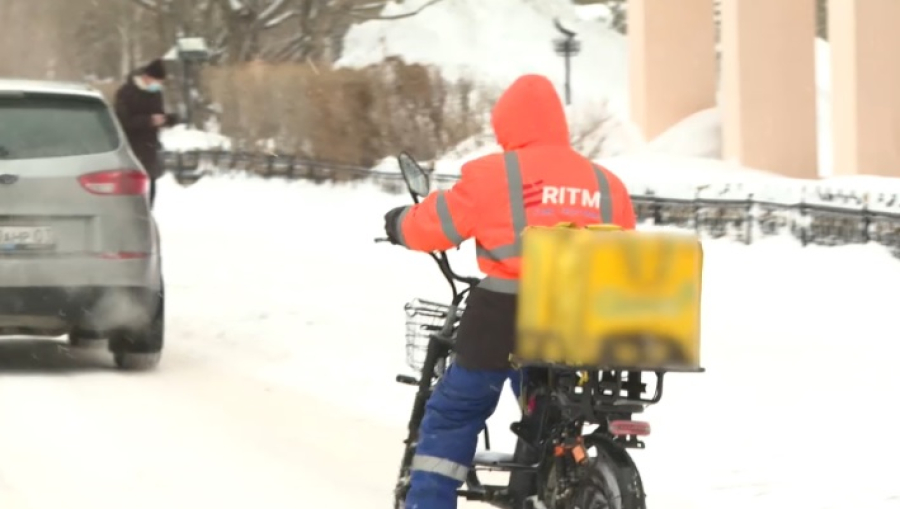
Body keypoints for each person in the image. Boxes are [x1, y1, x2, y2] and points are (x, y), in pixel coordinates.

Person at [382, 74, 637, 509]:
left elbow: (434, 226)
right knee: (554, 399)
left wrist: (399, 223)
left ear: (507, 126)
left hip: (503, 320)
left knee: (456, 412)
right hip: (583, 323)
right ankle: (551, 461)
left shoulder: (491, 175)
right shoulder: (608, 184)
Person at [113, 58, 180, 208]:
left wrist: (168, 120)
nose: (159, 86)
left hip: (150, 147)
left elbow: (159, 115)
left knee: (150, 186)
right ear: (147, 77)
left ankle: (148, 213)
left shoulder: (156, 94)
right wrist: (148, 121)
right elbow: (122, 121)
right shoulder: (126, 93)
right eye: (157, 81)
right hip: (131, 147)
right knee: (132, 187)